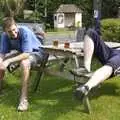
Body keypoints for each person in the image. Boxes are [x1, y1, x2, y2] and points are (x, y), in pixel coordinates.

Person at [0, 17, 48, 111]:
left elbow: (26, 54)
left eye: (14, 30)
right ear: (5, 31)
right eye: (10, 32)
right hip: (23, 52)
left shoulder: (24, 31)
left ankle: (23, 99)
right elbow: (2, 53)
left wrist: (8, 61)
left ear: (16, 26)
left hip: (38, 52)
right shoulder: (4, 36)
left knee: (24, 63)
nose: (13, 33)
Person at [75, 28, 120, 101]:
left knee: (111, 65)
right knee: (90, 32)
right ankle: (86, 67)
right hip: (113, 51)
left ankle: (86, 87)